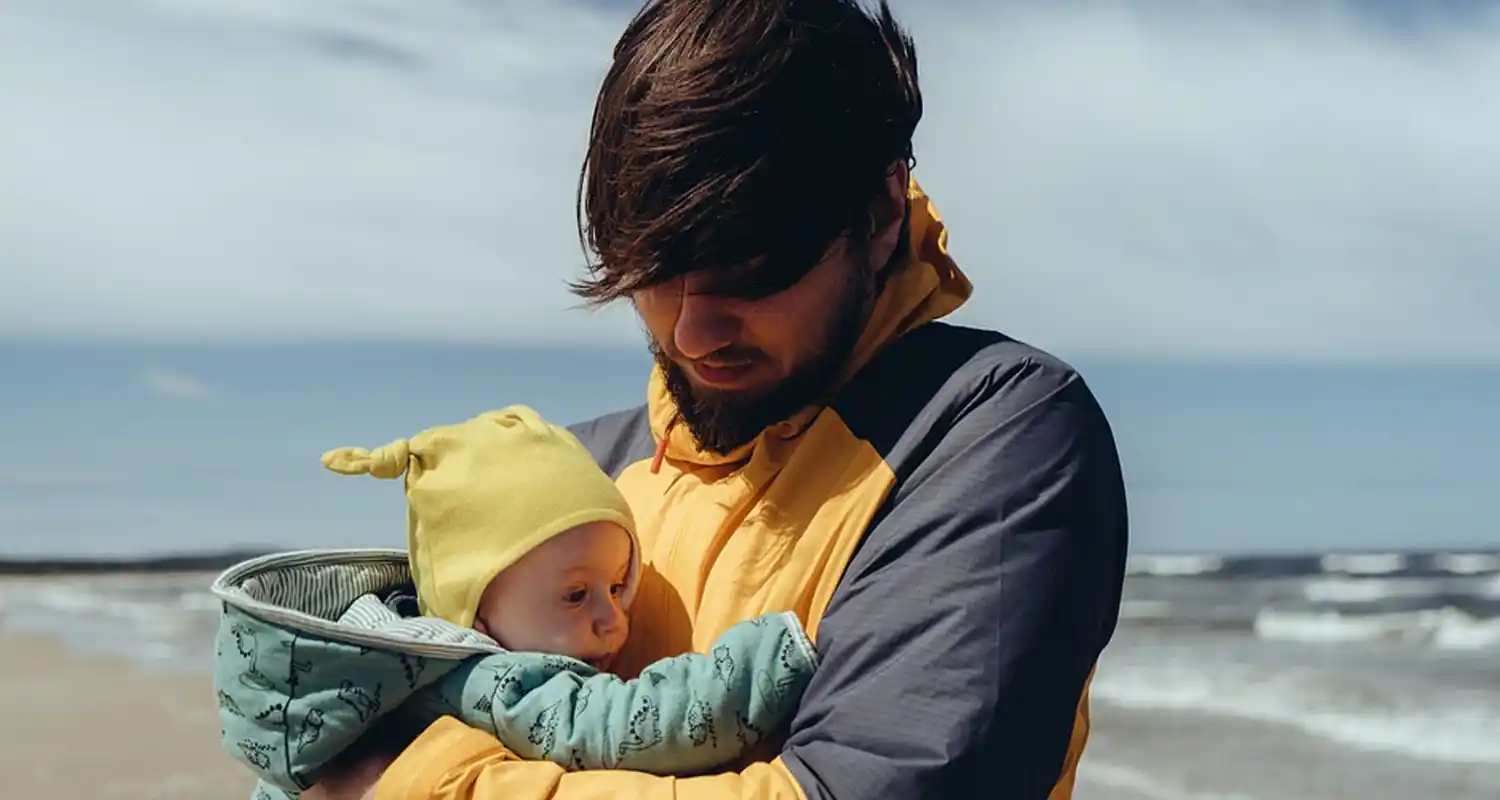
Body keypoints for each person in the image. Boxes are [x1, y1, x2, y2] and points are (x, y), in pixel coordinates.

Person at [303, 0, 1129, 797]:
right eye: (653, 276)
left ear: (879, 209)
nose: (693, 333)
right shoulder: (581, 477)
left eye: (752, 270)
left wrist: (410, 785)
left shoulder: (989, 435)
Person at [212, 406, 819, 799]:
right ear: (476, 612)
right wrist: (764, 661)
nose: (613, 619)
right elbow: (633, 724)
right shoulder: (495, 680)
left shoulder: (383, 670)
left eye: (618, 586)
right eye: (576, 596)